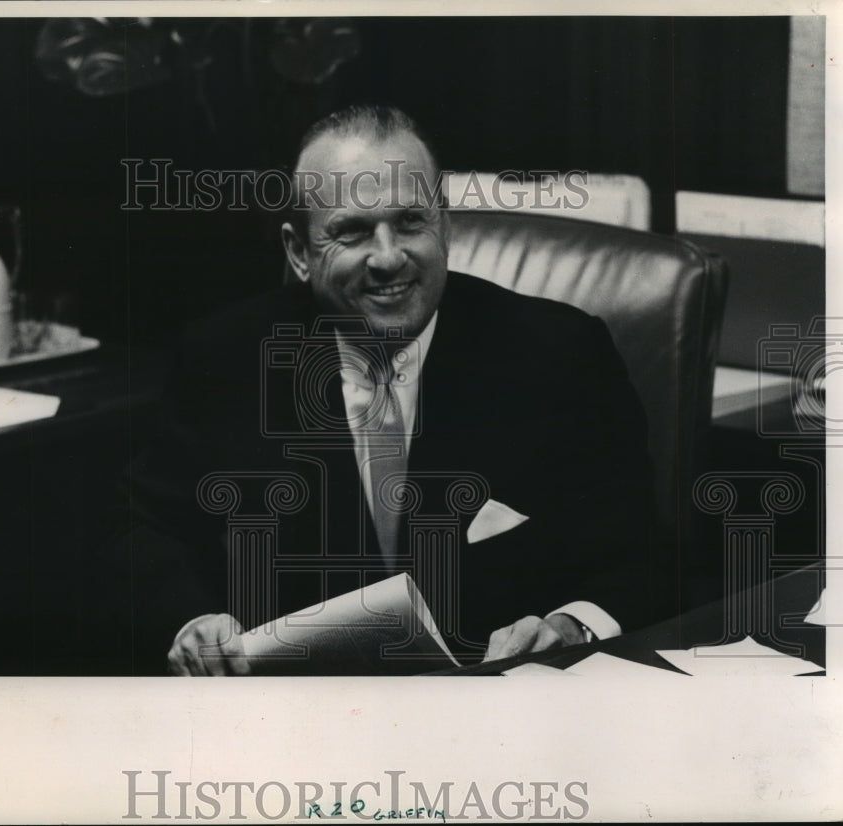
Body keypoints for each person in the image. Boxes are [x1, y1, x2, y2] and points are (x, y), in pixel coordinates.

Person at [123, 105, 658, 676]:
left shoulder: (560, 352)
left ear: (445, 226)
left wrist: (572, 625)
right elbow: (147, 527)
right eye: (351, 231)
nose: (387, 257)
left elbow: (641, 553)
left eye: (410, 222)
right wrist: (192, 620)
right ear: (299, 253)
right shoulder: (223, 356)